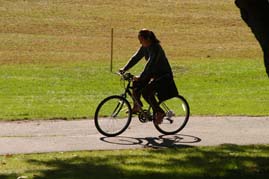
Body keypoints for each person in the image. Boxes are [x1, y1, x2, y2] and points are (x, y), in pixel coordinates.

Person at [119, 29, 178, 125]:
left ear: (148, 39)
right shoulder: (145, 47)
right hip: (153, 74)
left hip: (163, 75)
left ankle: (160, 112)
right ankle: (137, 106)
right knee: (136, 84)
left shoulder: (156, 48)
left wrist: (141, 76)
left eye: (141, 40)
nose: (140, 42)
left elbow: (150, 64)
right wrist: (124, 69)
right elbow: (136, 57)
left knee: (146, 92)